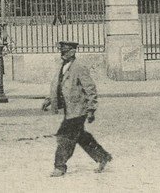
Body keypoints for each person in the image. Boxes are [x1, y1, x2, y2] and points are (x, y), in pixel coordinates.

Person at [41, 41, 112, 177]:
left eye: (65, 51)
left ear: (73, 52)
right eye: (62, 51)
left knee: (65, 137)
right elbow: (59, 85)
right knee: (80, 136)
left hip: (79, 109)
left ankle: (60, 166)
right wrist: (49, 99)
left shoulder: (79, 67)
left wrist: (91, 109)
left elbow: (90, 88)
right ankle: (102, 157)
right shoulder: (62, 66)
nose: (62, 54)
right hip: (71, 109)